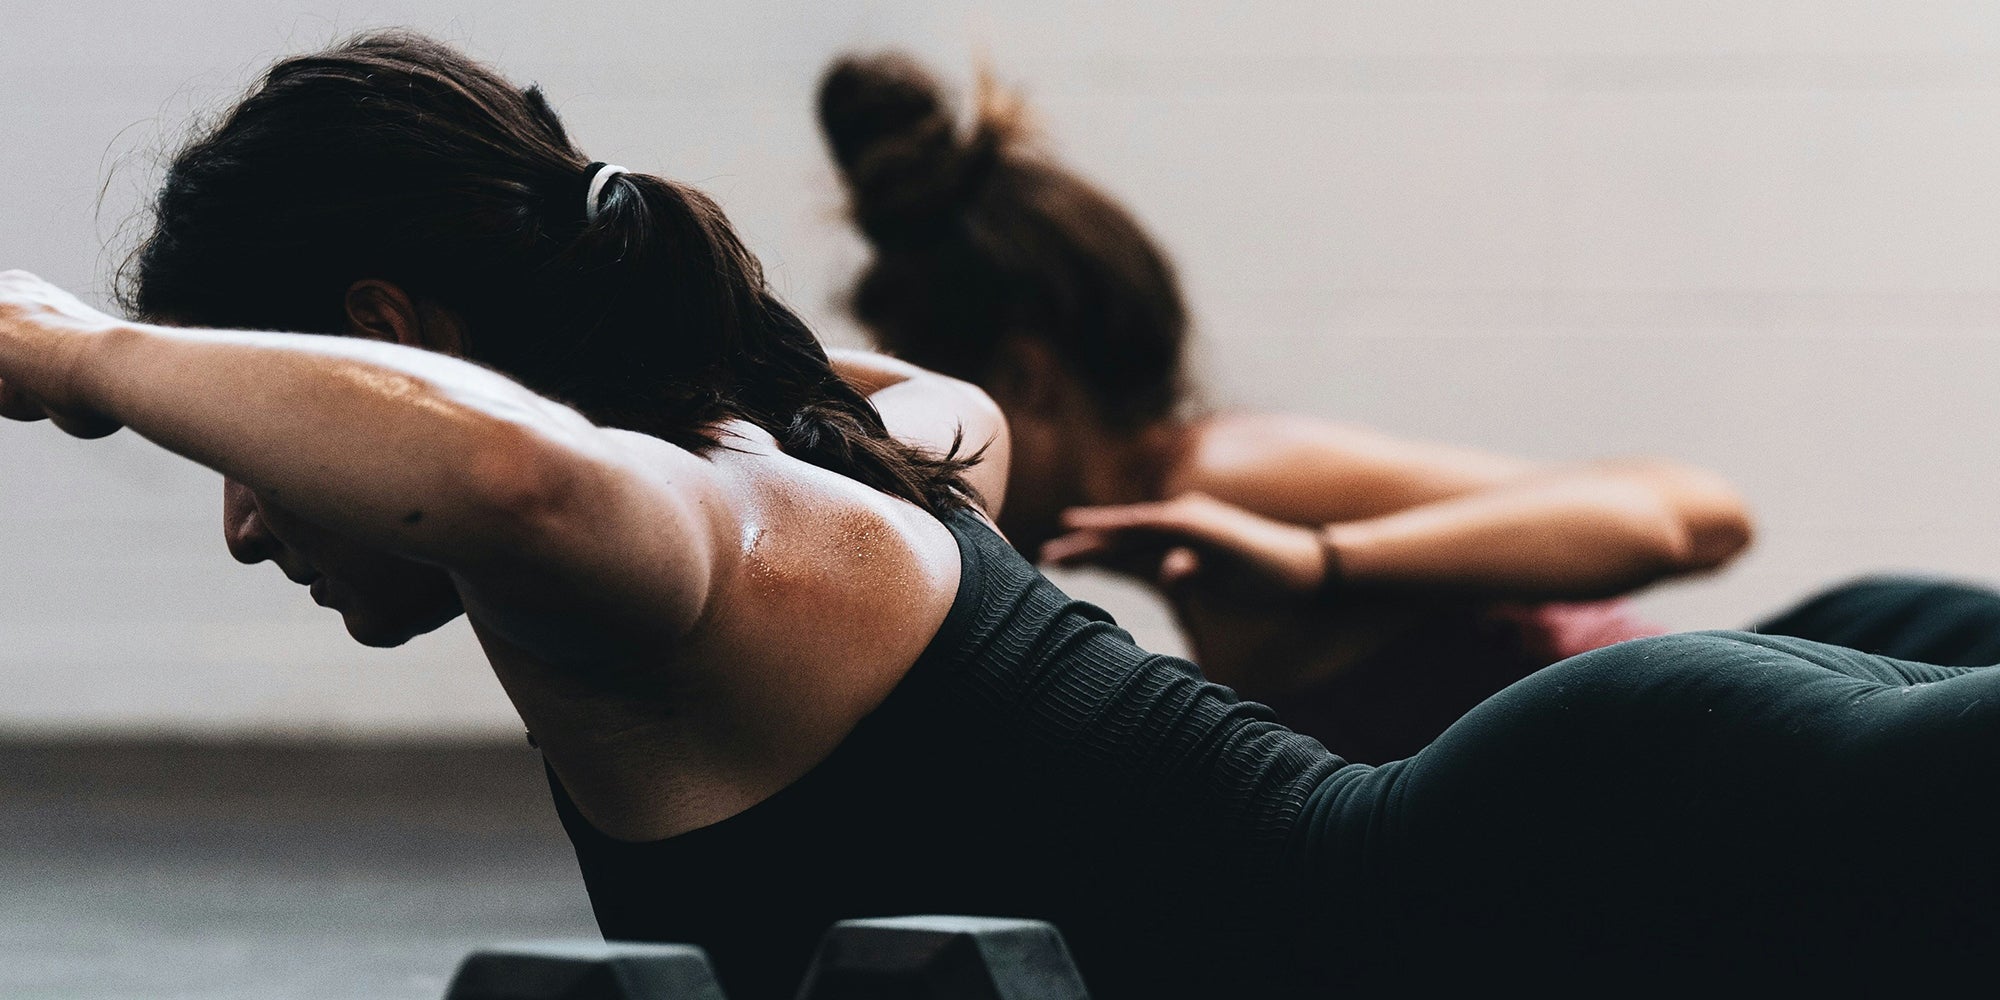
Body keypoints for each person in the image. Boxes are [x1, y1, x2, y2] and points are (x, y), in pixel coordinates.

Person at [5, 32, 1999, 997]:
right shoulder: (855, 441)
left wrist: (78, 354)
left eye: (250, 436)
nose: (252, 518)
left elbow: (507, 465)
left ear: (385, 339)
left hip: (1574, 873)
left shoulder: (671, 545)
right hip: (1592, 829)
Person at [816, 52, 2000, 762]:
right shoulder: (1189, 538)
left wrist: (1324, 562)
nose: (913, 462)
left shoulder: (1229, 477)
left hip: (1827, 707)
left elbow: (1691, 515)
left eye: (926, 415)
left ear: (1025, 380)